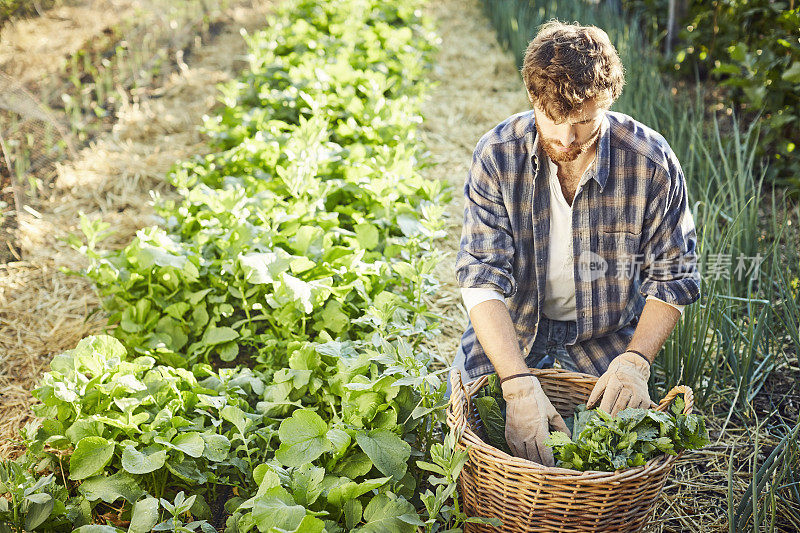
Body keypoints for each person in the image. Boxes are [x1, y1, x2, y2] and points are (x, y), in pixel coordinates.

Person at [448, 20, 701, 467]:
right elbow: (481, 281)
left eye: (585, 122)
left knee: (607, 455)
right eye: (554, 120)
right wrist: (517, 382)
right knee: (470, 438)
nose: (567, 139)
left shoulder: (650, 161)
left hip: (604, 338)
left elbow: (675, 276)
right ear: (533, 98)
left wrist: (636, 362)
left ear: (608, 101)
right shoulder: (497, 155)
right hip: (515, 328)